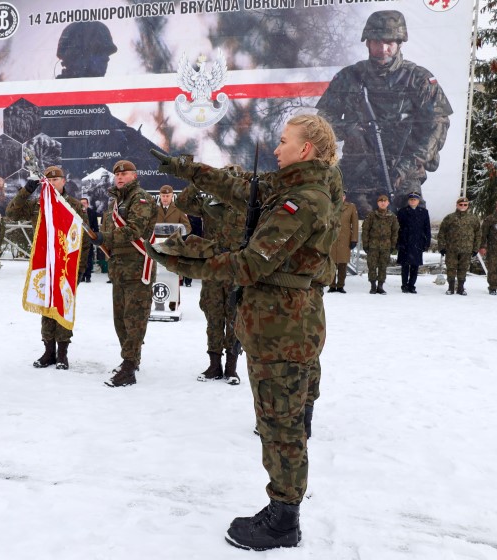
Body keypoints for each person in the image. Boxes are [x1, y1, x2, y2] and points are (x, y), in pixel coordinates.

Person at [148, 114, 338, 550]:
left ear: (305, 149)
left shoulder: (303, 201)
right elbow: (240, 189)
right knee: (280, 421)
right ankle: (282, 509)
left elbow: (250, 263)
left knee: (280, 427)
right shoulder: (295, 188)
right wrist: (186, 169)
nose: (276, 148)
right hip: (282, 323)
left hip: (282, 329)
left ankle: (283, 520)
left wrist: (181, 256)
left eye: (285, 141)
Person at [316, 10, 452, 216]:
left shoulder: (419, 79)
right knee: (348, 233)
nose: (383, 48)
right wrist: (348, 129)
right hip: (357, 175)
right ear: (367, 43)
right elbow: (322, 119)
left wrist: (407, 166)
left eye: (389, 42)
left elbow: (437, 127)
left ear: (399, 43)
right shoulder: (349, 77)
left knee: (407, 233)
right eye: (377, 42)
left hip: (403, 176)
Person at [6, 166, 90, 369]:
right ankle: (48, 352)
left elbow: (84, 240)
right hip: (44, 265)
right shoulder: (38, 204)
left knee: (63, 305)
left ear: (64, 181)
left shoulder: (74, 206)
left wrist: (79, 271)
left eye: (56, 180)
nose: (52, 184)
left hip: (66, 266)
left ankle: (62, 353)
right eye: (49, 181)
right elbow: (11, 213)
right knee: (46, 307)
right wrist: (26, 190)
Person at [90, 160, 157, 387]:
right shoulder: (115, 204)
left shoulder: (141, 199)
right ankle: (130, 359)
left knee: (134, 318)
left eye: (125, 174)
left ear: (135, 176)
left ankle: (129, 367)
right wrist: (100, 238)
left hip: (137, 266)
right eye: (117, 174)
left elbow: (134, 230)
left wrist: (105, 238)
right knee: (120, 320)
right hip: (119, 268)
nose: (119, 177)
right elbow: (108, 233)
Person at [174, 181, 245, 383]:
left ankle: (231, 368)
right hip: (213, 270)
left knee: (235, 318)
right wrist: (198, 181)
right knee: (213, 316)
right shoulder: (209, 205)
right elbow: (182, 202)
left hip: (236, 270)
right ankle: (214, 365)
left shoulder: (247, 206)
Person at [437, 197, 481, 295]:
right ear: (457, 205)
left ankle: (461, 288)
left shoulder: (473, 218)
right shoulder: (450, 218)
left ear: (468, 206)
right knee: (451, 268)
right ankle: (450, 288)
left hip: (467, 249)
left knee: (463, 268)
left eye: (465, 205)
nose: (463, 206)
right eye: (461, 204)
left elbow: (478, 234)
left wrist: (475, 248)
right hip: (451, 249)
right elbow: (442, 233)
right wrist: (442, 247)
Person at [361, 195, 399, 294]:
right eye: (380, 201)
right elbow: (365, 230)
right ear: (378, 203)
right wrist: (365, 244)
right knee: (372, 266)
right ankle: (373, 285)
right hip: (373, 245)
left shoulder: (392, 217)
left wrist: (393, 245)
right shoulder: (371, 216)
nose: (383, 203)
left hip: (386, 245)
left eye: (385, 201)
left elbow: (395, 232)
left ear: (388, 203)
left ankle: (380, 286)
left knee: (383, 266)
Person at [156, 184, 193, 286]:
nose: (165, 198)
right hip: (157, 248)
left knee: (172, 279)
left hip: (173, 248)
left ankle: (173, 301)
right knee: (158, 280)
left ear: (172, 196)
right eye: (163, 196)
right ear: (159, 196)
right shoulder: (153, 209)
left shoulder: (179, 209)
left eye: (167, 196)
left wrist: (178, 232)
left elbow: (188, 227)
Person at [396, 191, 431, 293]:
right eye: (411, 199)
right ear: (408, 201)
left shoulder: (424, 212)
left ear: (418, 201)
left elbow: (427, 229)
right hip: (405, 242)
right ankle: (404, 285)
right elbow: (398, 228)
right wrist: (398, 242)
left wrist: (427, 242)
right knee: (405, 266)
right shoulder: (402, 212)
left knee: (415, 266)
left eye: (414, 199)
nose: (413, 201)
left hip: (417, 242)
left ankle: (412, 285)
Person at [327, 193, 359, 293]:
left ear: (345, 197)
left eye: (343, 195)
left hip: (345, 239)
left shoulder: (351, 207)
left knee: (343, 264)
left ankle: (340, 285)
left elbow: (355, 224)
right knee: (331, 263)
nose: (341, 197)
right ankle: (332, 285)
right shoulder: (329, 205)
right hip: (331, 238)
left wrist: (354, 239)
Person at [80, 197, 98, 282]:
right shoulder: (76, 212)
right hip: (78, 239)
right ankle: (82, 276)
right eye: (81, 203)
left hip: (89, 238)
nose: (83, 204)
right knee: (80, 258)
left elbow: (96, 227)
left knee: (88, 257)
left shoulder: (92, 213)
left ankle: (88, 276)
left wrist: (95, 236)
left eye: (84, 203)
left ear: (88, 204)